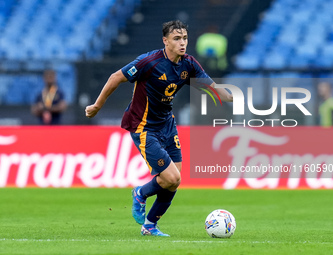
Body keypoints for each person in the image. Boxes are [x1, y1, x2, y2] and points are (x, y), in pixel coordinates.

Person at [85, 20, 233, 237]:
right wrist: (98, 105)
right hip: (144, 127)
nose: (182, 43)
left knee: (173, 181)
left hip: (167, 125)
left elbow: (211, 86)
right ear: (165, 41)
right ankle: (140, 193)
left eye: (184, 38)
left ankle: (150, 226)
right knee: (171, 178)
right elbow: (116, 77)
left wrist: (232, 96)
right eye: (177, 39)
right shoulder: (149, 62)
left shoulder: (188, 64)